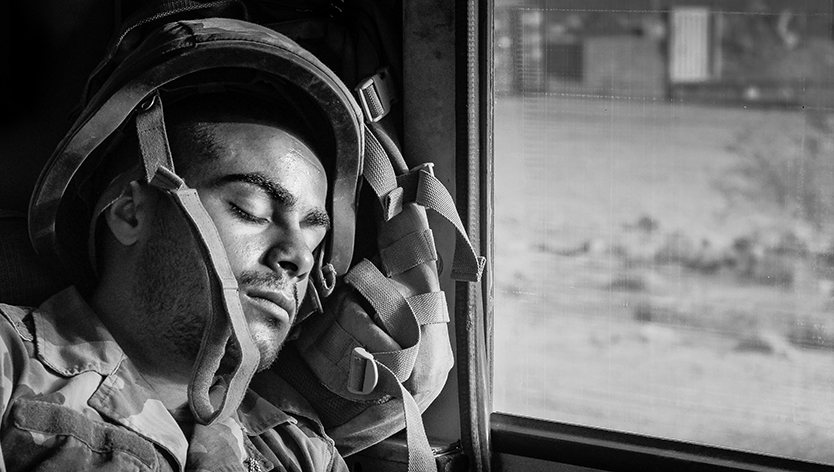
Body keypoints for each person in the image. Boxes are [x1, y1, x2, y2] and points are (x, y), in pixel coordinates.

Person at [0, 15, 382, 472]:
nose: (298, 258)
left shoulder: (301, 453)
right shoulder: (10, 365)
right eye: (251, 210)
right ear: (130, 213)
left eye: (314, 236)